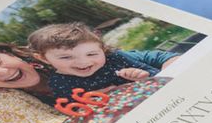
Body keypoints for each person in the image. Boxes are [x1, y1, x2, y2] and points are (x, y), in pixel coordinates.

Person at [27, 22, 180, 101]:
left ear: (102, 47)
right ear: (43, 58)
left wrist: (143, 76)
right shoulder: (59, 82)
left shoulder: (115, 58)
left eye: (92, 53)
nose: (83, 62)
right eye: (66, 57)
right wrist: (91, 102)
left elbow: (159, 76)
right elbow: (73, 110)